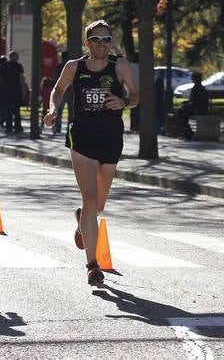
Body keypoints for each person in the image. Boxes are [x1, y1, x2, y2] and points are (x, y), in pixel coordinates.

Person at [43, 20, 139, 286]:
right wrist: (53, 110)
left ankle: (81, 222)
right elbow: (58, 89)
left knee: (98, 206)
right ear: (87, 42)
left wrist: (123, 102)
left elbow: (136, 96)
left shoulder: (119, 66)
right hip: (82, 136)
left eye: (106, 40)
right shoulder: (74, 66)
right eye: (96, 40)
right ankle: (92, 265)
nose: (102, 45)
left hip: (110, 137)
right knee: (89, 199)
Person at [0, 51, 26, 133]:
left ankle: (8, 127)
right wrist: (23, 91)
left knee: (8, 109)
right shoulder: (18, 66)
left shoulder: (4, 66)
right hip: (16, 90)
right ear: (14, 57)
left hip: (6, 91)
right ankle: (17, 127)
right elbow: (21, 79)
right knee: (16, 110)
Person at [177, 71, 209, 140]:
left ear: (194, 79)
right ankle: (187, 132)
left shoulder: (196, 88)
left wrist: (184, 105)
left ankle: (188, 132)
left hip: (197, 110)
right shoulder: (202, 88)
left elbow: (193, 102)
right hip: (202, 109)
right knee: (183, 111)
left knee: (180, 112)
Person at [53, 50, 70, 134]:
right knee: (72, 110)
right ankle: (70, 126)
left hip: (61, 91)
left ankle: (57, 127)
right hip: (70, 91)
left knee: (59, 110)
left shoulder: (59, 66)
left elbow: (55, 79)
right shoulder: (71, 66)